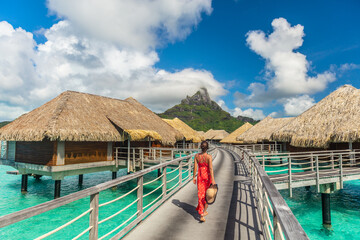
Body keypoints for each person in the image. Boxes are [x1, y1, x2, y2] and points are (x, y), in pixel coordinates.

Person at [193, 141, 216, 222]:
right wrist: (213, 180)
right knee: (206, 194)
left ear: (200, 147)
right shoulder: (209, 157)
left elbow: (195, 167)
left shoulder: (196, 156)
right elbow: (210, 169)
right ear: (207, 148)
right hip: (207, 177)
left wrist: (193, 177)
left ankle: (203, 211)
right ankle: (201, 214)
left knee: (201, 194)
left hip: (200, 176)